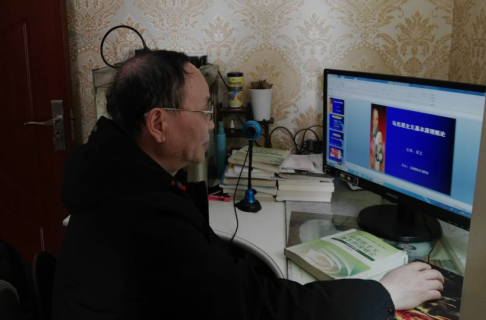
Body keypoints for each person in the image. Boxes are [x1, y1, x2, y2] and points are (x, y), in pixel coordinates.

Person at [52, 50, 444, 320]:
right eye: (204, 110)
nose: (212, 124)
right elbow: (260, 308)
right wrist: (383, 294)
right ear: (158, 123)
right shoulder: (145, 219)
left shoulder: (110, 173)